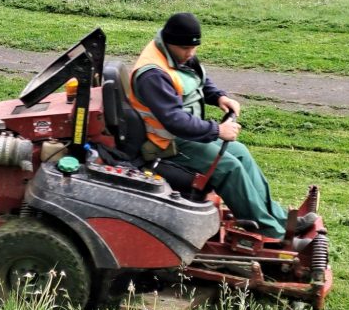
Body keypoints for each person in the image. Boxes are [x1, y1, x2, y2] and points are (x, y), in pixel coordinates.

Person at [127, 12, 318, 240]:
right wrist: (217, 130)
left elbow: (196, 77)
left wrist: (219, 97)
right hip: (167, 144)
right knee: (228, 168)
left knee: (241, 154)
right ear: (170, 43)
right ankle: (272, 234)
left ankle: (280, 218)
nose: (191, 54)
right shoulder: (152, 75)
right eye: (186, 49)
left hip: (189, 135)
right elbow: (174, 121)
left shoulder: (176, 55)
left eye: (194, 48)